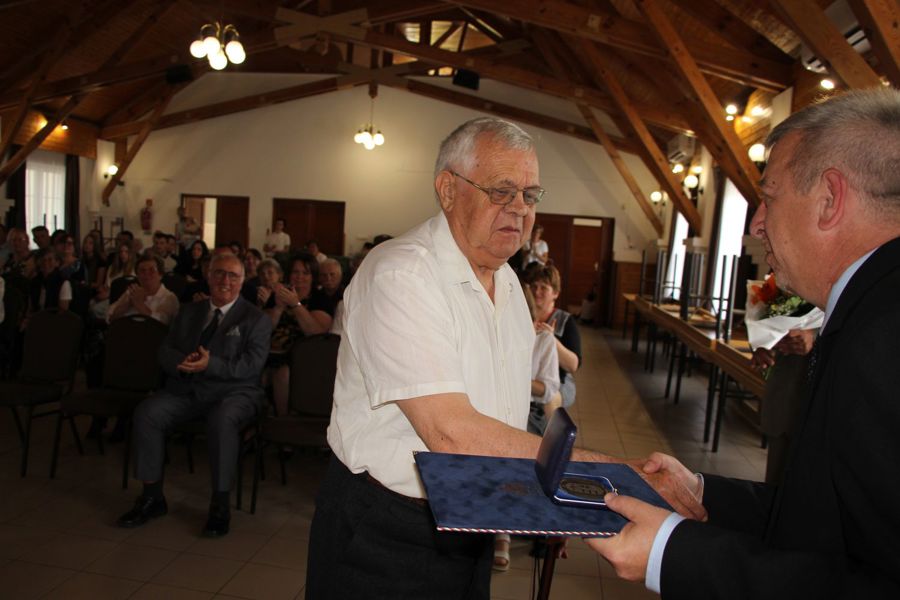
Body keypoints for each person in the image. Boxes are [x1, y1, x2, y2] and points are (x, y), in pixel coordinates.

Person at [305, 117, 704, 599]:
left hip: (475, 517)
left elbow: (505, 418)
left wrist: (554, 499)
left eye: (530, 195)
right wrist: (609, 478)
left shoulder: (510, 283)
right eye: (501, 191)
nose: (520, 209)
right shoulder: (401, 274)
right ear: (447, 189)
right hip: (387, 528)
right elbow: (452, 433)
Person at [587, 88, 900, 598]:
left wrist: (671, 552)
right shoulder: (871, 309)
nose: (756, 223)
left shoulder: (885, 336)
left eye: (769, 197)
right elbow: (827, 518)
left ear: (829, 199)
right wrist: (701, 493)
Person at [117, 253, 272, 537]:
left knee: (222, 420)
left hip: (235, 393)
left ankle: (220, 505)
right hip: (188, 389)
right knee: (148, 413)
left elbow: (251, 366)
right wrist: (182, 362)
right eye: (219, 273)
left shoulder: (256, 318)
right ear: (208, 277)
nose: (225, 281)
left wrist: (210, 364)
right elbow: (165, 350)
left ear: (242, 281)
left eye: (233, 276)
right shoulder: (189, 311)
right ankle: (152, 497)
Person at [265, 253, 334, 416]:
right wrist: (278, 308)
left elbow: (316, 333)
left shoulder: (320, 299)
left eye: (305, 273)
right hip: (271, 352)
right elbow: (263, 329)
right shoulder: (278, 295)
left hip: (303, 355)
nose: (299, 277)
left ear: (312, 276)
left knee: (283, 374)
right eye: (295, 272)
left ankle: (283, 421)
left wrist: (295, 305)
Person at [750, 327, 817, 484]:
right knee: (775, 483)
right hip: (787, 395)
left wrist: (815, 336)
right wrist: (762, 343)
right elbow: (766, 319)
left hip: (832, 404)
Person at [526, 264, 581, 409]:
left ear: (555, 293)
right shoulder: (523, 314)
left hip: (558, 382)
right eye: (534, 286)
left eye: (544, 288)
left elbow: (573, 365)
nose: (537, 291)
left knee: (550, 398)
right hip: (530, 377)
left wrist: (551, 339)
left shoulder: (565, 320)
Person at [108, 255, 179, 325]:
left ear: (160, 275)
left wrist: (139, 304)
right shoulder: (132, 292)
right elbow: (110, 318)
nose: (146, 274)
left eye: (152, 270)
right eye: (142, 270)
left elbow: (163, 324)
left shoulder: (169, 297)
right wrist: (127, 304)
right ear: (137, 276)